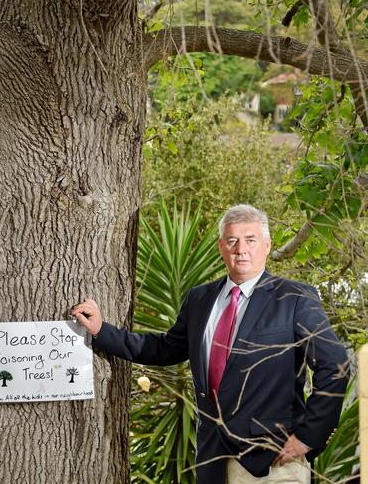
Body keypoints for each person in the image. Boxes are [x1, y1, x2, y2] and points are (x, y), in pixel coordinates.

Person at [72, 204, 348, 484]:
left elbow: (335, 366)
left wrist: (308, 436)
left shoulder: (294, 297)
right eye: (232, 240)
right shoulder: (200, 299)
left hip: (274, 459)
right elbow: (164, 348)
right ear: (221, 247)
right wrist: (102, 331)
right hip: (212, 457)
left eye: (250, 240)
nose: (241, 249)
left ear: (266, 245)